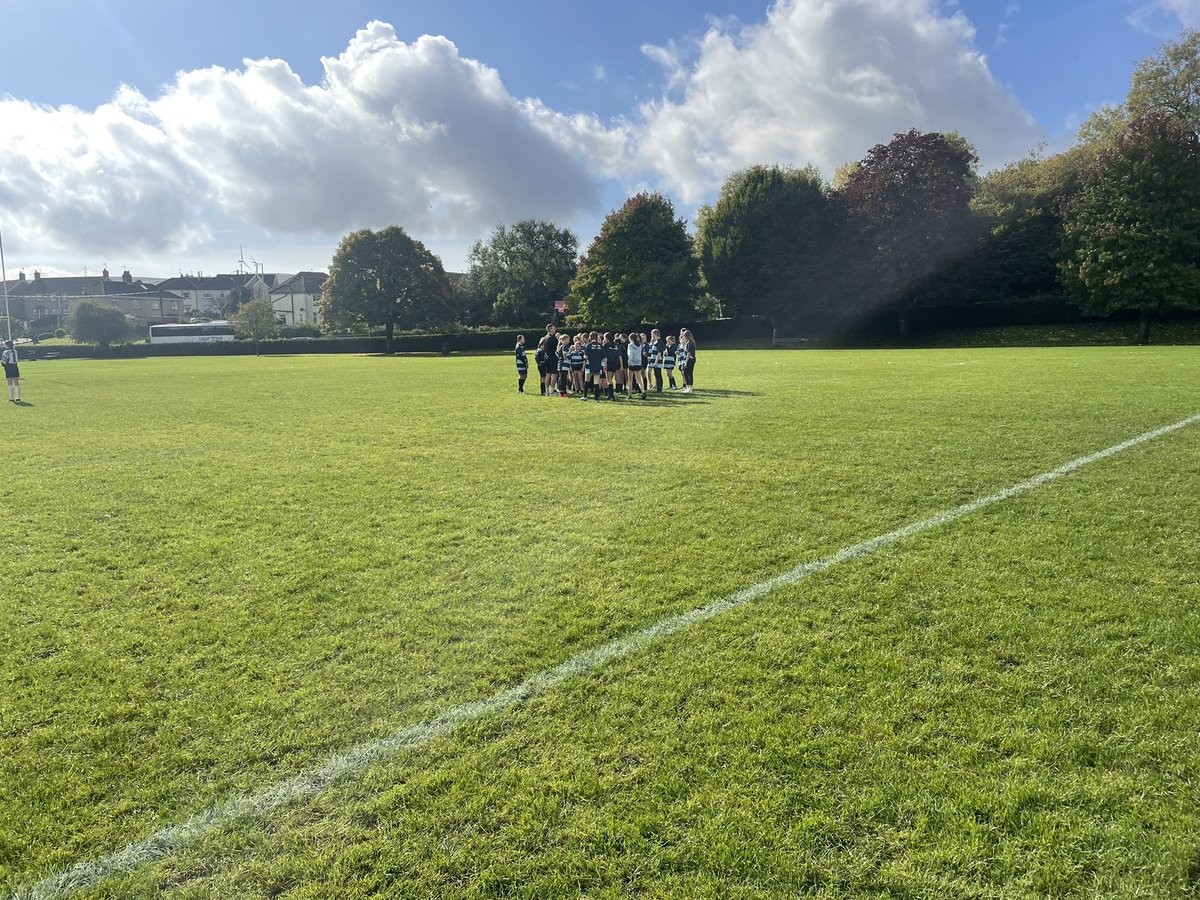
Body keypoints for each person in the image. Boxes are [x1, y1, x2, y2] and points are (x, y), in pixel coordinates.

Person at [582, 331, 606, 401]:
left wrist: (584, 356)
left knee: (587, 380)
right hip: (598, 365)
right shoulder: (600, 345)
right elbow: (604, 357)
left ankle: (585, 396)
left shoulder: (588, 345)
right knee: (596, 382)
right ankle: (597, 398)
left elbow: (586, 357)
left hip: (589, 365)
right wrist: (604, 365)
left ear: (590, 337)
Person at [626, 332, 646, 398]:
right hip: (638, 362)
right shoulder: (639, 345)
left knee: (630, 380)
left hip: (632, 363)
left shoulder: (630, 345)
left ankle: (629, 394)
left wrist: (630, 361)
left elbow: (630, 353)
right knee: (639, 380)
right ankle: (643, 391)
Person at [679, 328, 696, 393]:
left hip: (690, 360)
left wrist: (686, 362)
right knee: (687, 373)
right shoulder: (690, 342)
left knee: (687, 373)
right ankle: (688, 387)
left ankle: (690, 388)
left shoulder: (689, 343)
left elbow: (688, 353)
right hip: (690, 359)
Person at [648, 328, 665, 393]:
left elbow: (659, 353)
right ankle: (658, 388)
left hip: (657, 362)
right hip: (654, 361)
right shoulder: (655, 342)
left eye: (652, 334)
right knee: (656, 374)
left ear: (656, 334)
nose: (652, 336)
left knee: (658, 375)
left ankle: (659, 389)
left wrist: (656, 362)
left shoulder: (659, 342)